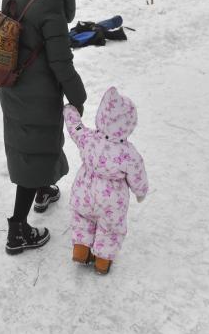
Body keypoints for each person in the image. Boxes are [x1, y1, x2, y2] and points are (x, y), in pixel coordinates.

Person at [0, 0, 87, 255]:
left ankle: (43, 190)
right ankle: (17, 230)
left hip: (13, 85)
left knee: (31, 146)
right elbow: (60, 61)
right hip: (37, 92)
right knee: (35, 150)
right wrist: (77, 96)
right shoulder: (49, 0)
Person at [63, 86, 149, 274]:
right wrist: (140, 192)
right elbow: (138, 174)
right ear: (129, 124)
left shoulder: (89, 138)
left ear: (102, 116)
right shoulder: (129, 153)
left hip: (84, 193)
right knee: (110, 229)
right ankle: (102, 260)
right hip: (111, 203)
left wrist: (69, 111)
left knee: (82, 218)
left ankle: (81, 249)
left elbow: (75, 128)